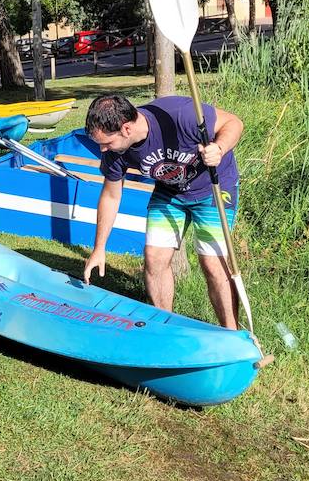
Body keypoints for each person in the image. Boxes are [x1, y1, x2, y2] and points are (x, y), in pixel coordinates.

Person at [81, 94, 245, 329]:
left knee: (212, 263)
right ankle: (164, 327)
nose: (102, 149)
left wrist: (219, 148)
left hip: (214, 188)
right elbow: (110, 195)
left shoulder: (180, 114)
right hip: (169, 192)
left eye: (106, 142)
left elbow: (234, 123)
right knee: (155, 258)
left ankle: (232, 334)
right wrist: (99, 248)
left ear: (126, 129)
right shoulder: (115, 153)